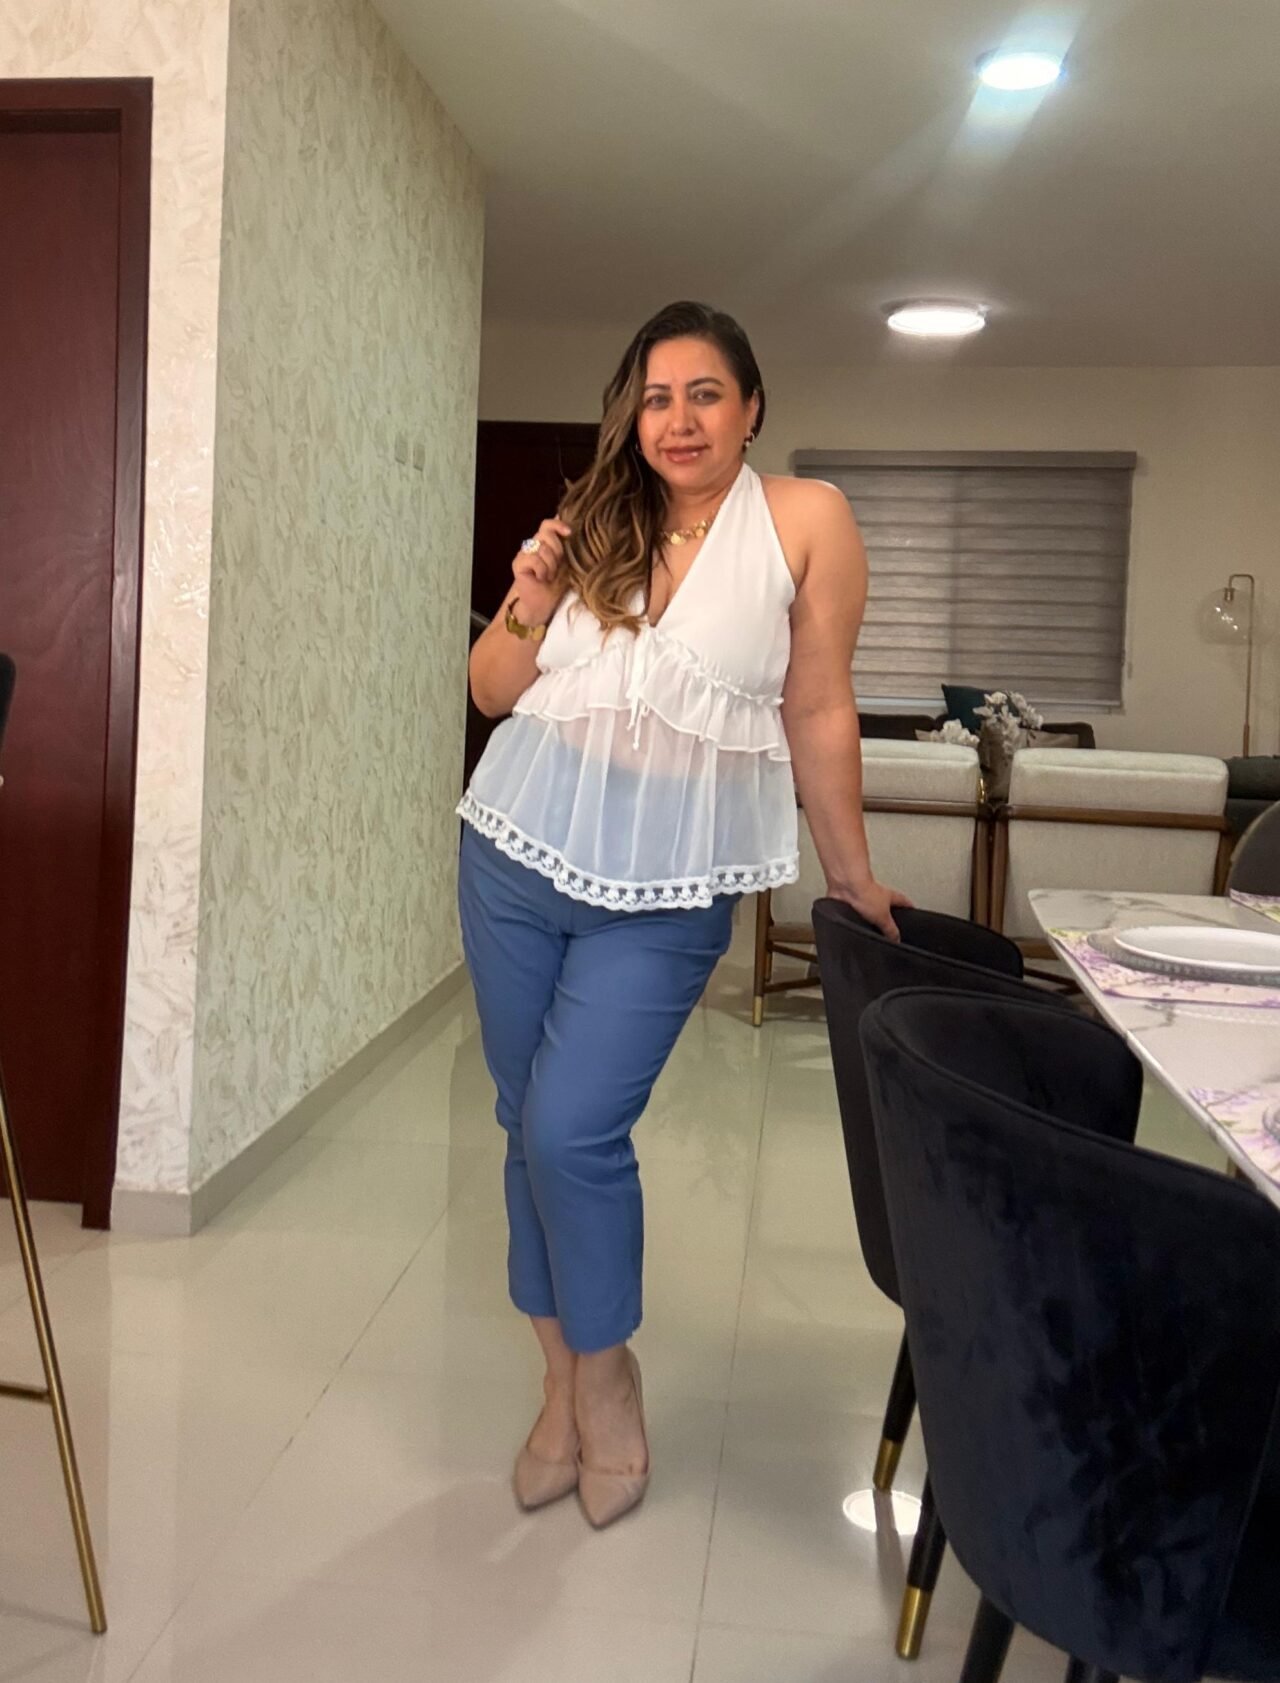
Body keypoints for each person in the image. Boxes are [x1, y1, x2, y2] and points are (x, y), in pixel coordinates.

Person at [458, 300, 907, 1528]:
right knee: (521, 1123)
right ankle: (558, 1382)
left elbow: (816, 705)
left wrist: (849, 875)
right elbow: (492, 691)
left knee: (571, 1129)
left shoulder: (802, 519)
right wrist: (527, 595)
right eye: (654, 397)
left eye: (703, 392)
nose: (678, 419)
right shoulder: (595, 520)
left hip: (664, 890)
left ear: (750, 407)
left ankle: (607, 1379)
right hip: (513, 855)